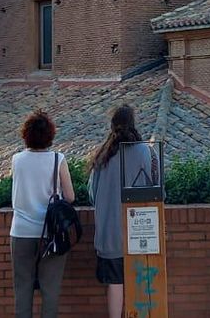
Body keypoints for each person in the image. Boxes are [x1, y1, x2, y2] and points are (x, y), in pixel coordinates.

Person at [88, 105, 154, 318]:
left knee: (115, 284)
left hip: (110, 234)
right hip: (142, 230)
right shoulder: (145, 151)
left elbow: (92, 193)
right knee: (140, 282)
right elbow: (157, 189)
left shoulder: (103, 155)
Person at [10, 110, 76, 318]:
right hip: (51, 232)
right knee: (50, 289)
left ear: (26, 134)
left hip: (20, 231)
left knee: (22, 288)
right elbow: (70, 196)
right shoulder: (58, 159)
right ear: (50, 135)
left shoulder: (17, 159)